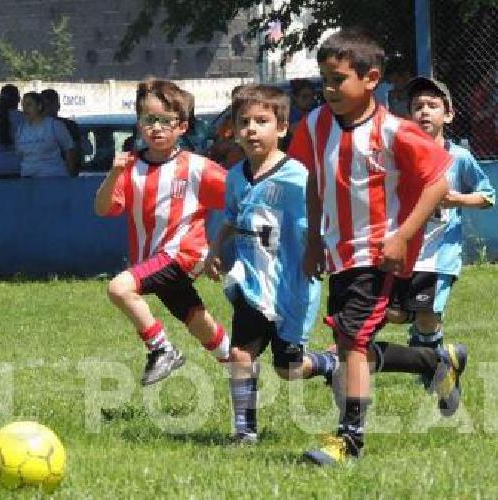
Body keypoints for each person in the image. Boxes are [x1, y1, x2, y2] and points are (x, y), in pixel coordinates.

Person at [286, 28, 468, 465]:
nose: (328, 89)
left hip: (378, 253)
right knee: (355, 343)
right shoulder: (314, 126)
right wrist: (313, 240)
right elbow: (314, 181)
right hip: (339, 250)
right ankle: (434, 361)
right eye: (324, 80)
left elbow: (438, 182)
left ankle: (349, 439)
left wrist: (402, 235)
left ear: (371, 78)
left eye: (338, 79)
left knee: (349, 341)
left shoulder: (394, 131)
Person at [203, 84, 338, 445]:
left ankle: (329, 364)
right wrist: (215, 248)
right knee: (239, 353)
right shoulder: (234, 176)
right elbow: (232, 216)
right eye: (244, 121)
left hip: (290, 284)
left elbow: (324, 214)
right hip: (251, 281)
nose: (251, 129)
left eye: (261, 121)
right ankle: (244, 431)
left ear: (281, 128)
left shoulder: (299, 176)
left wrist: (322, 248)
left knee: (288, 368)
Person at [93, 78, 232, 386]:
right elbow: (103, 209)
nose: (156, 128)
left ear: (182, 126)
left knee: (119, 288)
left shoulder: (197, 167)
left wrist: (215, 248)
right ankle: (240, 369)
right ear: (139, 124)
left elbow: (238, 199)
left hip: (181, 255)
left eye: (165, 121)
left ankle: (162, 349)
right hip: (154, 259)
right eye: (148, 120)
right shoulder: (129, 168)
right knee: (199, 323)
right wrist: (113, 173)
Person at [385, 76, 494, 390]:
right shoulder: (400, 157)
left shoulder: (458, 157)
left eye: (432, 105)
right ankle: (434, 355)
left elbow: (487, 196)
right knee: (393, 312)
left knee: (427, 316)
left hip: (439, 256)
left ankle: (433, 371)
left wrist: (456, 199)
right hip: (404, 252)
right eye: (417, 106)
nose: (424, 112)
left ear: (448, 115)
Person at [16, 91, 76, 178]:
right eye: (23, 105)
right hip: (28, 179)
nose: (25, 109)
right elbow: (20, 155)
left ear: (39, 106)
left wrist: (70, 177)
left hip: (53, 177)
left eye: (29, 105)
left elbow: (69, 150)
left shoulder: (54, 125)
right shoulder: (21, 129)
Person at [41, 88, 89, 172]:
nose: (47, 109)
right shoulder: (31, 128)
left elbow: (77, 152)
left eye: (49, 105)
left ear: (58, 106)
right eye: (44, 106)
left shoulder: (70, 126)